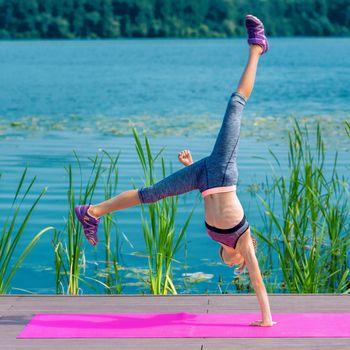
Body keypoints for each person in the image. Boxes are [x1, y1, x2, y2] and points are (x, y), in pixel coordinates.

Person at [75, 15, 276, 327]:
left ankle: (92, 212)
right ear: (238, 261)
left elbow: (211, 202)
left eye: (224, 259)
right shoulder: (244, 242)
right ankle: (257, 47)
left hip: (203, 179)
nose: (224, 259)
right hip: (221, 172)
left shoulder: (218, 238)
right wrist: (266, 319)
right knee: (236, 104)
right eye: (230, 261)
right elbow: (257, 280)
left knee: (150, 194)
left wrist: (192, 166)